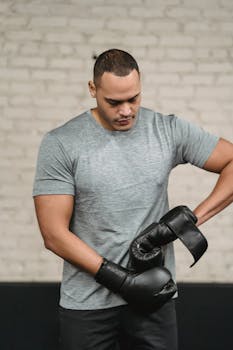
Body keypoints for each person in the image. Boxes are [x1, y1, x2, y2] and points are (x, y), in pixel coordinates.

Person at [33, 48, 233, 350]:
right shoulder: (61, 143)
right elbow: (53, 234)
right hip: (87, 306)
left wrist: (183, 223)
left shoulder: (167, 129)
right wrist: (122, 281)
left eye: (134, 99)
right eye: (114, 102)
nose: (126, 110)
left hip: (154, 301)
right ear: (92, 89)